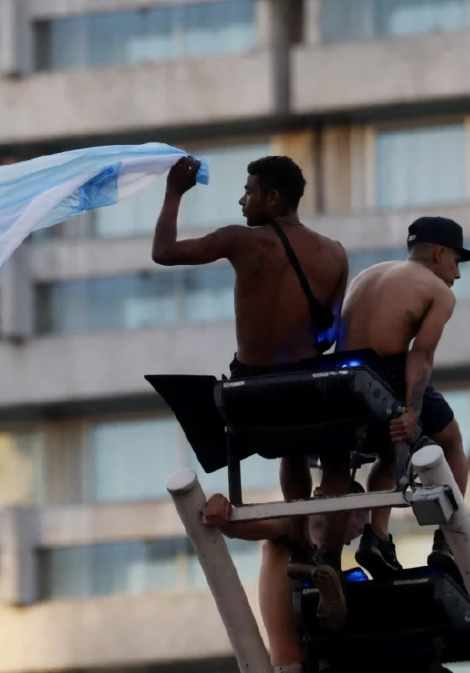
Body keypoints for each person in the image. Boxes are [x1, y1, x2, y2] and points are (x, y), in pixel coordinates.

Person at [152, 154, 348, 673]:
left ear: (272, 198)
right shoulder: (335, 254)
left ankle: (304, 544)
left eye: (247, 191)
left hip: (251, 399)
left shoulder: (244, 241)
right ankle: (322, 551)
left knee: (278, 434)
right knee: (322, 441)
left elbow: (164, 252)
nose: (242, 201)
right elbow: (331, 334)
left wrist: (175, 191)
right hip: (311, 394)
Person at [302, 216, 470, 607]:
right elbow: (421, 354)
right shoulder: (438, 291)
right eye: (457, 262)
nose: (457, 275)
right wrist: (413, 410)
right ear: (439, 253)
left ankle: (376, 538)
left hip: (342, 381)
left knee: (390, 446)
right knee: (450, 443)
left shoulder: (370, 274)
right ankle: (447, 541)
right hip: (386, 373)